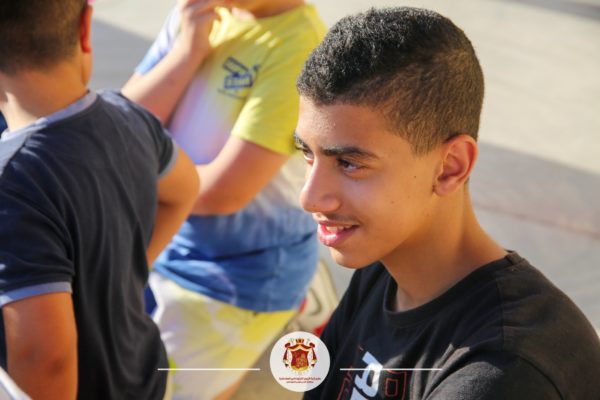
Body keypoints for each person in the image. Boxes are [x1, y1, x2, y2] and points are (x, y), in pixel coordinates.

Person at [294, 7, 600, 400]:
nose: (309, 197)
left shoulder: (503, 370)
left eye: (349, 163)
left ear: (450, 167)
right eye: (307, 154)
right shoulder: (382, 268)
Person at [122, 0, 326, 398]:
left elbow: (224, 192)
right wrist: (186, 53)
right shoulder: (197, 14)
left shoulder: (299, 47)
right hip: (161, 246)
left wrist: (125, 174)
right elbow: (123, 126)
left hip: (231, 280)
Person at [0, 1, 200, 399]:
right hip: (144, 379)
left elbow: (47, 361)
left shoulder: (11, 184)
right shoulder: (131, 117)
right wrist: (121, 274)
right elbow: (184, 191)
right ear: (85, 25)